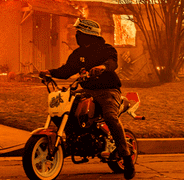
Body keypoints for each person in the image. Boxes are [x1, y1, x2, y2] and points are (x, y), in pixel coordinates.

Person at [40, 18, 135, 180]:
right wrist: (50, 72)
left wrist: (102, 67)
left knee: (110, 117)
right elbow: (67, 70)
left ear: (88, 34)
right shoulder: (78, 54)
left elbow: (112, 63)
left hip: (108, 90)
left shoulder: (107, 49)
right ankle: (73, 140)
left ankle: (126, 158)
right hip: (87, 90)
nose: (76, 35)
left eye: (79, 33)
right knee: (66, 110)